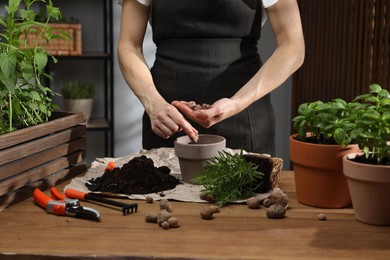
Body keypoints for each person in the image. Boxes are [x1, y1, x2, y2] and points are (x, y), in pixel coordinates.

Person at [117, 0, 305, 155]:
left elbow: (292, 46)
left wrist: (237, 103)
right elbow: (129, 45)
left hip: (244, 113)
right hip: (168, 117)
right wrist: (154, 104)